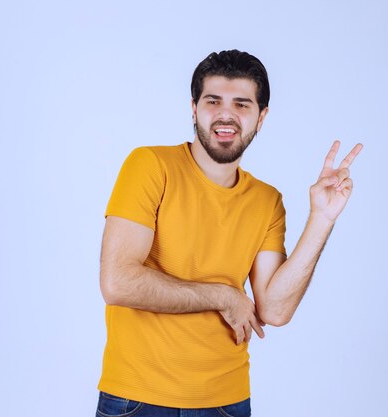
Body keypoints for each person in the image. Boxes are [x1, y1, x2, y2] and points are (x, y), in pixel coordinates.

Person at [95, 49, 363, 417]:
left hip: (227, 403)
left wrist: (321, 218)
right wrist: (223, 296)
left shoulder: (267, 201)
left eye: (242, 104)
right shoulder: (150, 166)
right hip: (139, 399)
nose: (226, 114)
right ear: (194, 108)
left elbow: (275, 309)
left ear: (261, 117)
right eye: (213, 101)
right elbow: (118, 282)